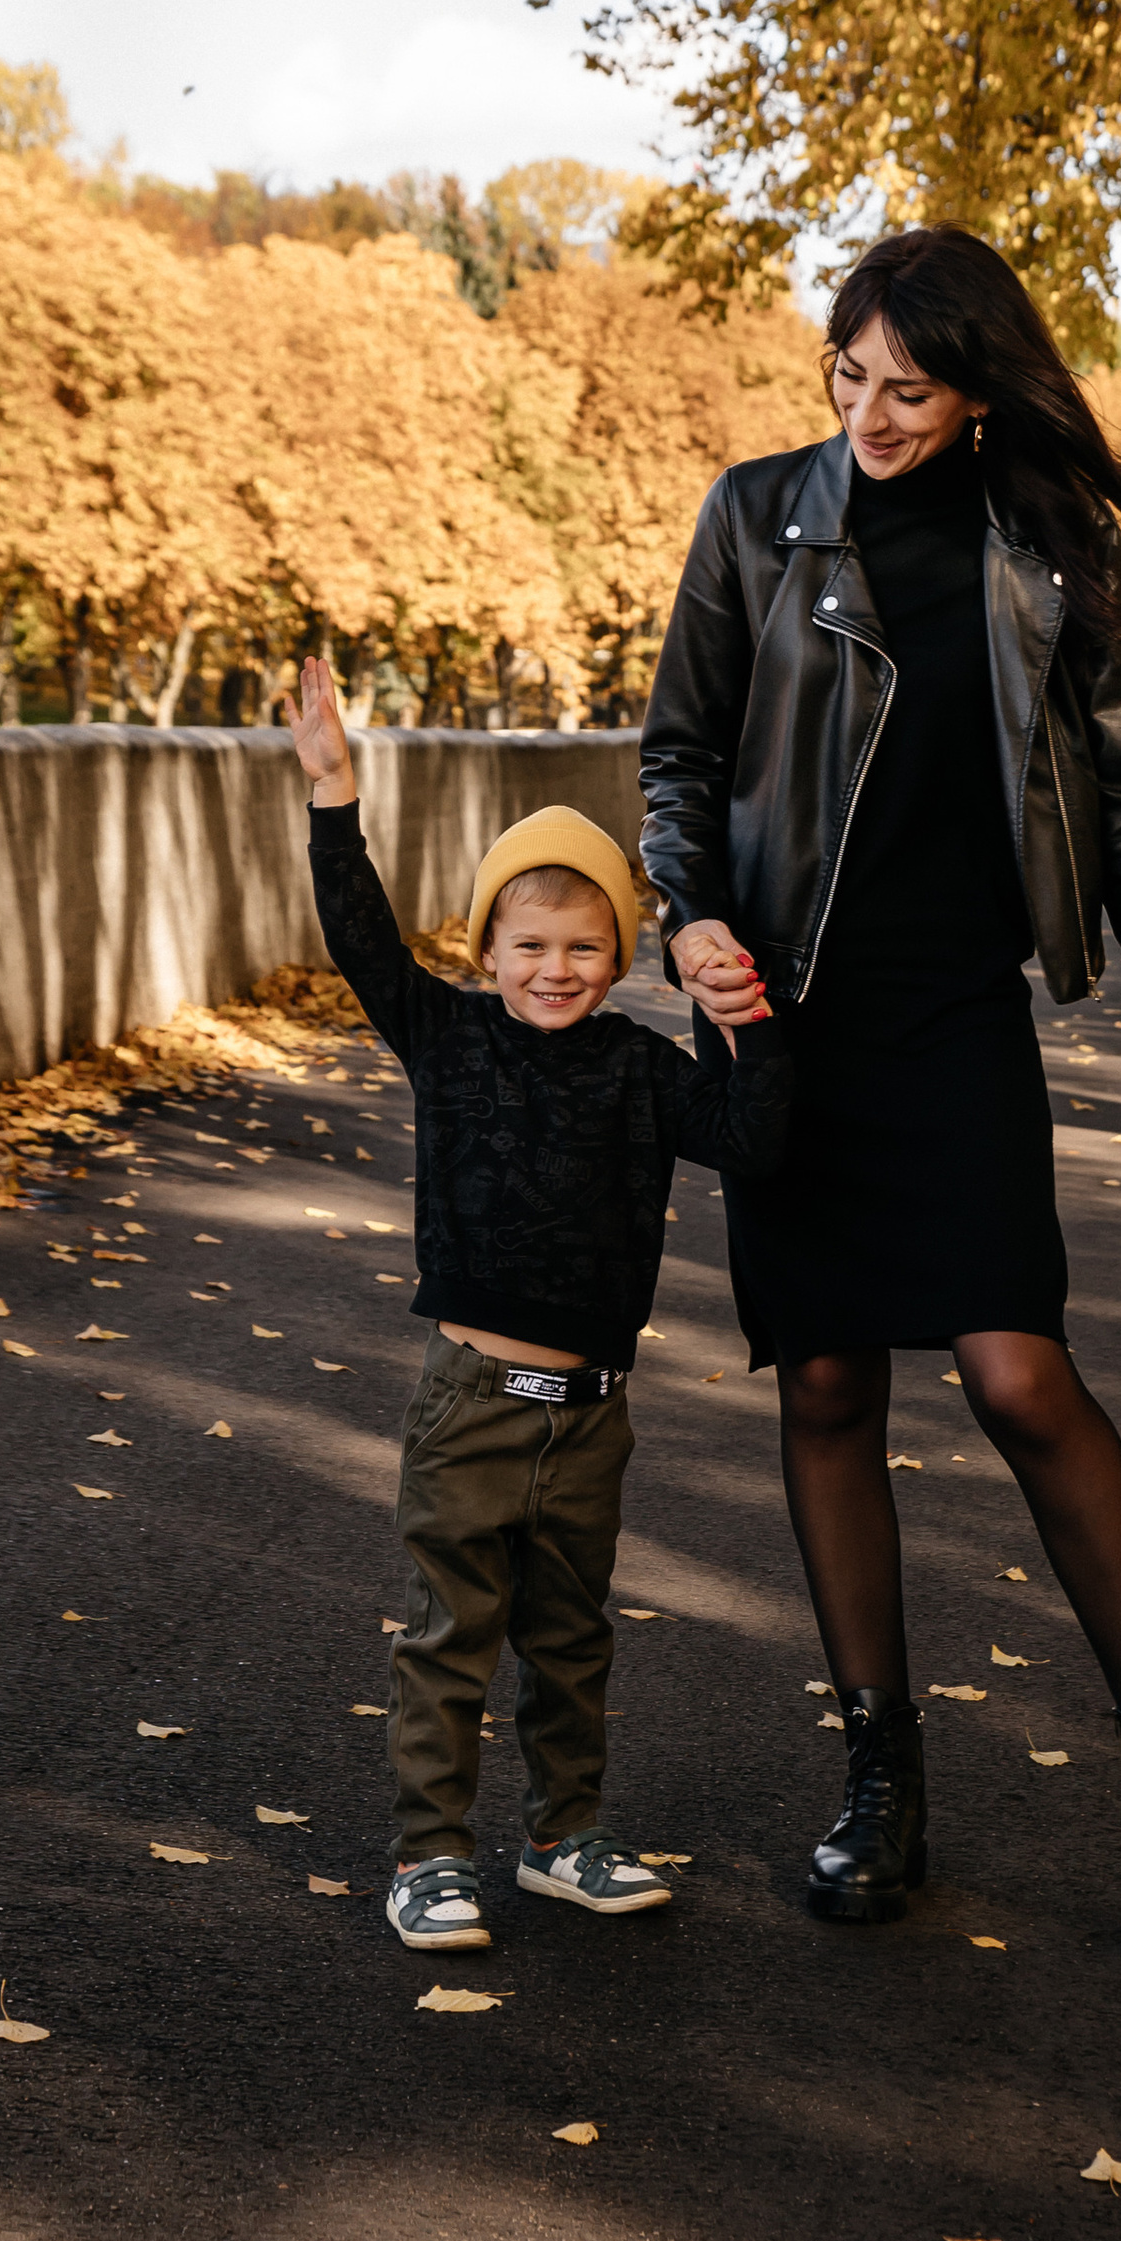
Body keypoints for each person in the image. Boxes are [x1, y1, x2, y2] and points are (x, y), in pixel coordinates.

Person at [640, 228, 1121, 1971]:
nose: (868, 415)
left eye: (907, 390)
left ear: (982, 388)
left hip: (951, 1017)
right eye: (847, 378)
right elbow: (680, 756)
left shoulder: (1053, 545)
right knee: (831, 1379)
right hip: (780, 1018)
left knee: (1017, 1371)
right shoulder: (757, 518)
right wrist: (687, 920)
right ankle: (879, 1783)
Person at [288, 656, 793, 1956]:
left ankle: (567, 1838)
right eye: (529, 946)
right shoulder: (449, 1037)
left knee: (572, 1644)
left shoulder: (639, 1066)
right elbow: (359, 938)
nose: (555, 970)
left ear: (621, 955)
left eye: (584, 948)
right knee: (454, 1637)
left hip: (592, 1417)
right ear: (486, 948)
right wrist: (334, 796)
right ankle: (430, 1858)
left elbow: (753, 1137)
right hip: (472, 1404)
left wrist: (744, 1014)